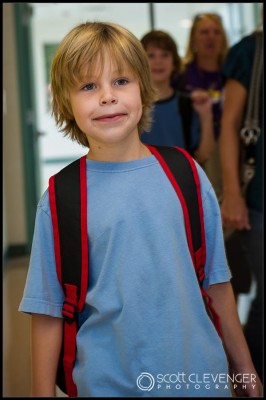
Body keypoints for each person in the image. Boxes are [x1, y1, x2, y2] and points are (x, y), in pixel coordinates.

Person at [18, 21, 262, 397]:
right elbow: (48, 310)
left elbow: (216, 283)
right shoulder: (62, 196)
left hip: (200, 380)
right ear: (66, 102)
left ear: (144, 89)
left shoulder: (187, 174)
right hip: (108, 385)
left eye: (120, 81)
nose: (107, 97)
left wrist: (244, 369)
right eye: (88, 86)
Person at [219, 28, 263, 382]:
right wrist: (232, 191)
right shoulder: (251, 52)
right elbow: (231, 123)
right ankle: (251, 378)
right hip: (260, 197)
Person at [173, 13, 228, 200]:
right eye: (204, 32)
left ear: (223, 38)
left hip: (233, 145)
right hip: (196, 150)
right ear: (193, 39)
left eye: (216, 32)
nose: (210, 37)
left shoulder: (233, 74)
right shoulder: (181, 75)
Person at [140, 30, 215, 165]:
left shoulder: (187, 105)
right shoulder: (133, 106)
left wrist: (206, 115)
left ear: (174, 62)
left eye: (165, 55)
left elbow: (203, 155)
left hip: (179, 183)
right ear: (140, 63)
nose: (158, 61)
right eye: (151, 55)